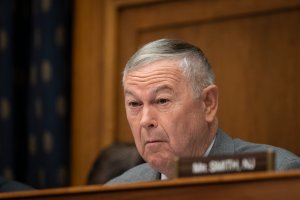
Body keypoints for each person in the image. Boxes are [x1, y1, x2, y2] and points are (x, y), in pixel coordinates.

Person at [106, 38, 300, 184]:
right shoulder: (118, 190)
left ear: (208, 103)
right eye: (134, 104)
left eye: (162, 100)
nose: (145, 120)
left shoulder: (277, 174)